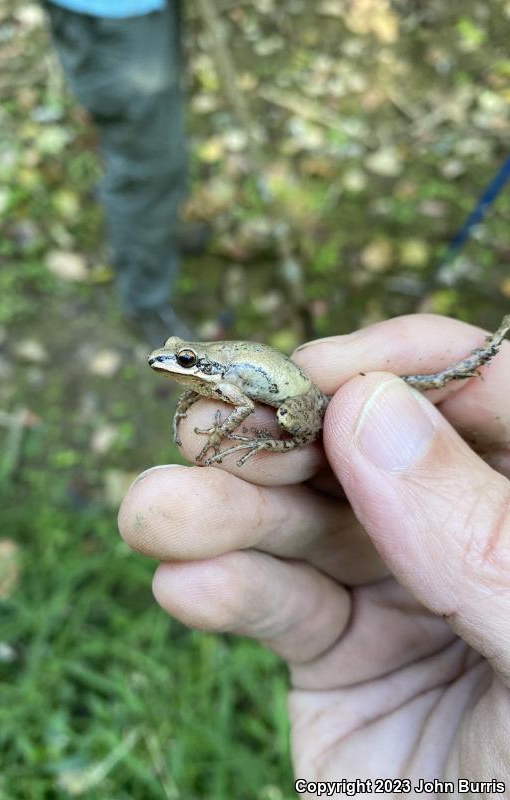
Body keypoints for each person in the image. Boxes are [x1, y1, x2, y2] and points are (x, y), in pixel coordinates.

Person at [119, 314, 510, 792]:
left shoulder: (227, 382)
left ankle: (477, 358)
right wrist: (191, 395)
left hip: (297, 400)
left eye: (183, 360)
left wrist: (227, 434)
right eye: (177, 358)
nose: (168, 363)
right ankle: (475, 358)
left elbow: (240, 405)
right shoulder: (210, 376)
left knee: (289, 421)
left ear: (199, 362)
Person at [44, 0, 197, 346]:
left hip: (136, 13)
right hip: (112, 15)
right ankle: (146, 299)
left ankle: (157, 239)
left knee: (161, 141)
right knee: (148, 166)